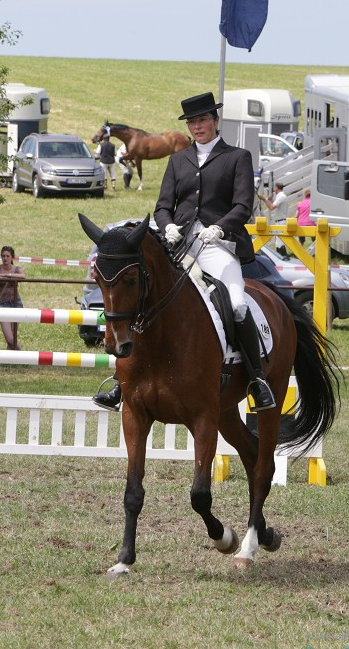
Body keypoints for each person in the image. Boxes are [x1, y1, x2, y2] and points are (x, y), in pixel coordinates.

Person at [92, 91, 276, 413]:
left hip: (218, 245)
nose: (198, 126)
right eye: (192, 121)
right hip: (179, 245)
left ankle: (256, 380)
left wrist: (219, 227)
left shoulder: (237, 157)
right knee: (146, 299)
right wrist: (167, 227)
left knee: (235, 304)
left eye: (203, 119)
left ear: (215, 120)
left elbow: (243, 206)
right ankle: (122, 382)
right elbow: (163, 206)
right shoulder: (178, 160)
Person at [0, 245, 25, 350]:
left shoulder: (17, 268)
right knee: (10, 339)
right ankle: (25, 357)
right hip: (2, 305)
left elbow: (23, 276)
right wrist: (2, 276)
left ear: (12, 257)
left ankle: (10, 362)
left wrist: (9, 275)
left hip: (16, 303)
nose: (5, 258)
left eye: (8, 256)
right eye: (3, 256)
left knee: (12, 339)